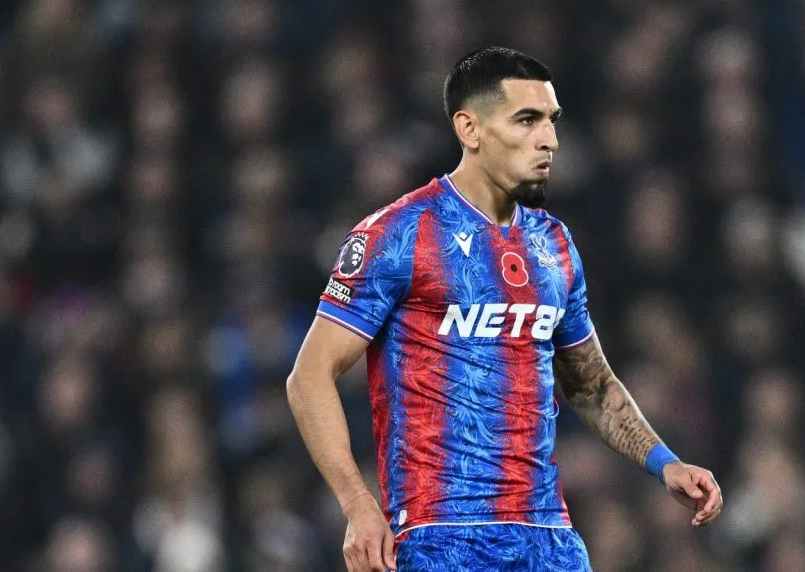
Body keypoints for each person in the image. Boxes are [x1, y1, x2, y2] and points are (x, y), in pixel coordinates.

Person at [286, 46, 723, 572]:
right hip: (439, 537)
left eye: (552, 121)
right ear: (470, 129)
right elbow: (309, 375)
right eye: (528, 120)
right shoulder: (400, 234)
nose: (550, 139)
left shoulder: (555, 243)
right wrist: (358, 505)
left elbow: (590, 383)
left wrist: (664, 463)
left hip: (549, 538)